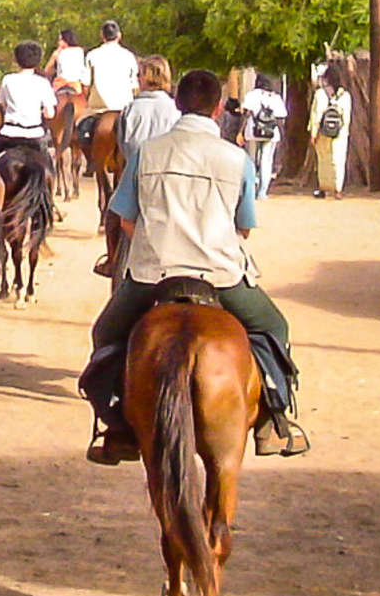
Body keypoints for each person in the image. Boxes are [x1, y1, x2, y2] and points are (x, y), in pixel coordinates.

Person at [80, 69, 308, 465]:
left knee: (106, 334)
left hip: (154, 274)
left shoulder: (147, 153)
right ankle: (275, 417)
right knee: (274, 328)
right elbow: (244, 226)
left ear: (178, 103)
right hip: (221, 275)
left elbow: (126, 220)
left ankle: (115, 426)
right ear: (219, 108)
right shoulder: (236, 158)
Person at [92, 56, 181, 279]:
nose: (137, 79)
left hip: (137, 175)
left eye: (139, 75)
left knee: (114, 213)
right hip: (169, 178)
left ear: (147, 78)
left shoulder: (131, 109)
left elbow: (125, 144)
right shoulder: (175, 109)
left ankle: (112, 261)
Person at [0, 40, 57, 158]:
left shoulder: (8, 79)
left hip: (10, 133)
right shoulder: (43, 82)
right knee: (49, 170)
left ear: (17, 59)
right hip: (34, 134)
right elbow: (49, 114)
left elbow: (1, 104)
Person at [240, 73, 288, 198]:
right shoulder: (275, 97)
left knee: (251, 160)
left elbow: (246, 114)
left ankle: (250, 190)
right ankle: (262, 192)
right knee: (266, 161)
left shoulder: (252, 95)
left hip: (253, 131)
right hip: (271, 133)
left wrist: (240, 132)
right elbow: (281, 117)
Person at [310, 67, 354, 200]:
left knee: (323, 160)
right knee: (338, 160)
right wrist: (344, 131)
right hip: (339, 134)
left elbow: (316, 115)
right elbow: (347, 117)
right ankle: (337, 189)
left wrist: (313, 132)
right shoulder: (345, 96)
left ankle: (323, 188)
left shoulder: (320, 94)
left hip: (323, 132)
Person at [85, 20, 139, 114]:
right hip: (125, 108)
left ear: (102, 36)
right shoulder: (129, 56)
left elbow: (86, 85)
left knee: (80, 125)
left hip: (99, 109)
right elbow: (134, 86)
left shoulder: (92, 55)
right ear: (119, 36)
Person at [44, 27, 89, 93]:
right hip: (77, 85)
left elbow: (47, 72)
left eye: (60, 40)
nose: (58, 42)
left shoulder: (59, 53)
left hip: (61, 84)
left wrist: (53, 57)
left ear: (66, 40)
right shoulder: (82, 51)